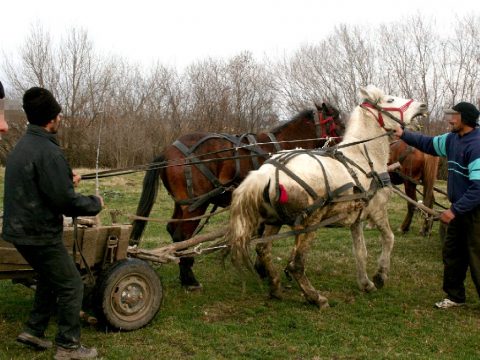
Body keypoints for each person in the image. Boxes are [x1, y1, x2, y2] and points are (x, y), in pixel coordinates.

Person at [2, 87, 103, 359]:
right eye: (59, 115)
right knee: (72, 284)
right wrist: (95, 202)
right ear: (51, 119)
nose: (60, 119)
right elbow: (65, 202)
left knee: (49, 276)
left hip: (18, 232)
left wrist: (64, 179)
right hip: (39, 233)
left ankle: (34, 331)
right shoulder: (49, 151)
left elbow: (43, 184)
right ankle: (68, 346)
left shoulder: (23, 146)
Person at [394, 101, 480, 309]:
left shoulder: (476, 145)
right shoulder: (452, 139)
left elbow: (479, 188)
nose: (450, 120)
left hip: (475, 212)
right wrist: (402, 133)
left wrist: (454, 211)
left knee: (476, 256)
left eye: (454, 116)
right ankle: (455, 297)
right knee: (452, 253)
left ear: (466, 119)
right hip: (459, 208)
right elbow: (428, 143)